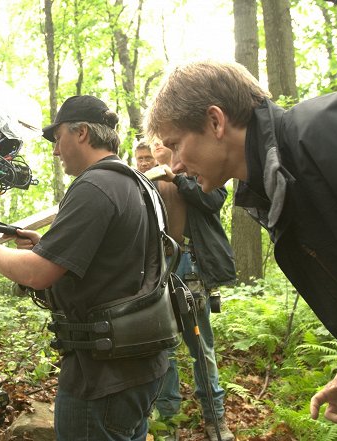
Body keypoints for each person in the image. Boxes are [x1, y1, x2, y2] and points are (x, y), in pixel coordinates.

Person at [144, 60, 337, 424]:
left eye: (175, 144)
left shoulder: (325, 133)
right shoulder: (274, 189)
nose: (176, 164)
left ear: (216, 122)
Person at [0, 95, 169, 441]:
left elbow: (36, 274)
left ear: (81, 132)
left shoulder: (95, 186)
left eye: (58, 139)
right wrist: (48, 249)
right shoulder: (137, 184)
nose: (55, 150)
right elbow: (117, 265)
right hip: (140, 367)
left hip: (100, 378)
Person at [137, 140, 236, 441]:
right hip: (157, 269)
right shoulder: (141, 185)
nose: (145, 161)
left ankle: (215, 418)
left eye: (150, 154)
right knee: (163, 348)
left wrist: (176, 178)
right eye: (140, 157)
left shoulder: (192, 174)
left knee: (200, 345)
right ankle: (168, 423)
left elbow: (214, 200)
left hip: (190, 265)